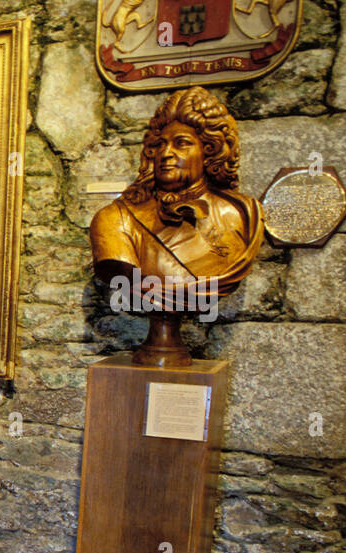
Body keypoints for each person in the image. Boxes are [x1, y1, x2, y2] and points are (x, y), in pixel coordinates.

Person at [90, 86, 263, 364]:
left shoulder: (243, 216)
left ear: (209, 152)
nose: (167, 153)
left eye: (181, 143)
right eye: (159, 145)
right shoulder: (115, 219)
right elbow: (118, 269)